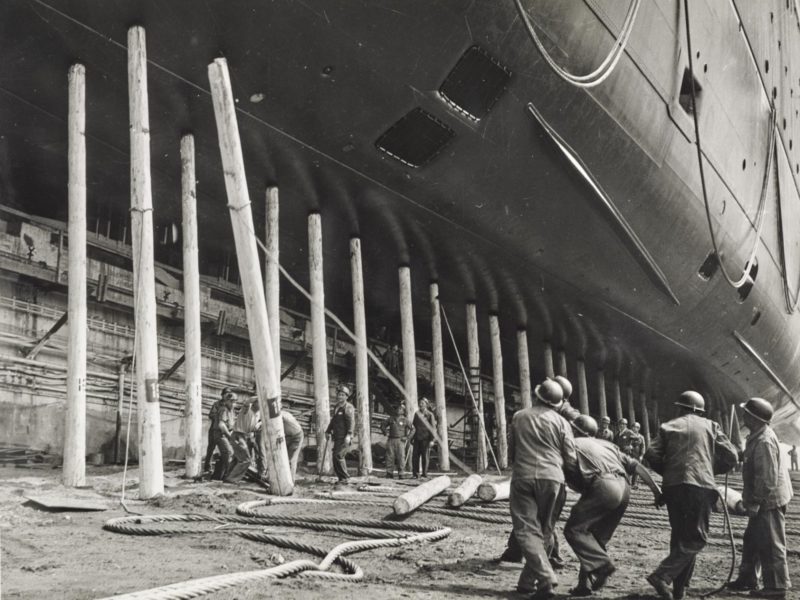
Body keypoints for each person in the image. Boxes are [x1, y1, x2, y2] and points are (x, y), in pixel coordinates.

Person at [644, 391, 738, 600]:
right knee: (696, 539)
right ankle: (662, 575)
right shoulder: (712, 426)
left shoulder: (668, 426)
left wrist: (669, 472)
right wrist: (710, 470)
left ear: (681, 408)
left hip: (673, 488)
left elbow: (650, 454)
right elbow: (732, 455)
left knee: (680, 538)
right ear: (700, 410)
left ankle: (679, 591)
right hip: (700, 487)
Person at [563, 415, 662, 596]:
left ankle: (602, 565)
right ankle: (583, 585)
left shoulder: (573, 443)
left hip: (604, 486)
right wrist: (656, 491)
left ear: (576, 430)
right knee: (595, 539)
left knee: (574, 529)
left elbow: (567, 472)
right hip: (624, 488)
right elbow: (637, 466)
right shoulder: (609, 445)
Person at [508, 377, 577, 600]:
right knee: (545, 531)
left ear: (537, 396)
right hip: (553, 479)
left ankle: (546, 577)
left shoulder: (519, 417)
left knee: (527, 530)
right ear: (557, 403)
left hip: (524, 477)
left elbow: (512, 449)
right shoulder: (562, 423)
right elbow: (570, 457)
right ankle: (527, 583)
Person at [727, 398, 792, 598]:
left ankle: (777, 588)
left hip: (769, 501)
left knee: (772, 543)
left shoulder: (764, 441)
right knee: (752, 539)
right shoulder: (757, 436)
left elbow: (767, 478)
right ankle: (748, 578)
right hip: (764, 499)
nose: (743, 416)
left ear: (755, 418)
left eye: (746, 413)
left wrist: (755, 502)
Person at [225, 397, 261, 483]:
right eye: (259, 403)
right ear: (255, 403)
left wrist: (259, 423)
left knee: (237, 459)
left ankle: (227, 477)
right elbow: (247, 401)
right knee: (245, 460)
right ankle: (232, 479)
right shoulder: (246, 410)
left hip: (246, 436)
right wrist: (259, 395)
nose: (261, 405)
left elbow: (257, 424)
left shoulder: (258, 414)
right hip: (238, 435)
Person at [325, 384, 355, 484]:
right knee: (335, 457)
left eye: (342, 395)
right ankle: (341, 479)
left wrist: (349, 435)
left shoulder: (348, 407)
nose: (340, 396)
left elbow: (351, 422)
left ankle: (346, 478)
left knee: (339, 455)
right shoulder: (337, 407)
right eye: (339, 394)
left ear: (346, 396)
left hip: (344, 437)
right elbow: (333, 421)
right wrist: (328, 431)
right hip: (337, 437)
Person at [210, 388, 236, 480]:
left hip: (226, 434)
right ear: (227, 401)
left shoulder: (231, 410)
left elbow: (232, 423)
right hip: (220, 434)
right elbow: (221, 424)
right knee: (229, 453)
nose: (234, 404)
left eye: (235, 402)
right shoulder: (223, 409)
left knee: (226, 454)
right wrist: (229, 436)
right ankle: (229, 477)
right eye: (232, 402)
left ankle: (220, 475)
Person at [382, 404, 411, 479]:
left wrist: (407, 437)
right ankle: (389, 473)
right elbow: (383, 425)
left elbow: (413, 429)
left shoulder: (405, 420)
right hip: (391, 439)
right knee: (389, 456)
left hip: (400, 440)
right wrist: (385, 432)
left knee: (401, 457)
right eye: (398, 408)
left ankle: (401, 473)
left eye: (401, 409)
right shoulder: (391, 419)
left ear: (403, 411)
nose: (399, 410)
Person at [411, 397, 438, 478]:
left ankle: (424, 473)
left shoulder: (430, 415)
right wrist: (411, 438)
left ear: (426, 405)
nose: (420, 404)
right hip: (417, 439)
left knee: (425, 457)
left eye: (422, 403)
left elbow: (433, 429)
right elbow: (413, 427)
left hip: (425, 439)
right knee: (415, 456)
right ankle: (415, 474)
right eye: (420, 403)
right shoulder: (416, 414)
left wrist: (432, 440)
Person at [202, 390, 224, 474]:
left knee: (224, 450)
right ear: (222, 395)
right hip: (214, 429)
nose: (227, 397)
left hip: (223, 431)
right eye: (225, 394)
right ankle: (207, 467)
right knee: (211, 448)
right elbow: (211, 415)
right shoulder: (217, 404)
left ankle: (223, 469)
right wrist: (220, 416)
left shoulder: (229, 405)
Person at [627, 422, 646, 488]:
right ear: (632, 427)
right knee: (628, 467)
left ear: (639, 429)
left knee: (636, 469)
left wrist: (641, 455)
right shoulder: (628, 435)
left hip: (637, 455)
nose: (635, 428)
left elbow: (643, 446)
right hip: (629, 454)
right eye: (634, 427)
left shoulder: (641, 437)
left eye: (637, 427)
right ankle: (627, 483)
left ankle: (634, 483)